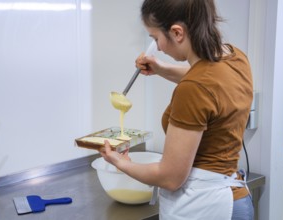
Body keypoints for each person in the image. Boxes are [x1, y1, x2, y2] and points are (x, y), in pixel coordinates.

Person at [100, 0, 254, 219]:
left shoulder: (193, 89)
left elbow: (171, 177)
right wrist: (161, 69)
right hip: (236, 199)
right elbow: (211, 84)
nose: (159, 47)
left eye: (155, 38)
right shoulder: (235, 58)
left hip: (204, 205)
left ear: (177, 32)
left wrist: (120, 163)